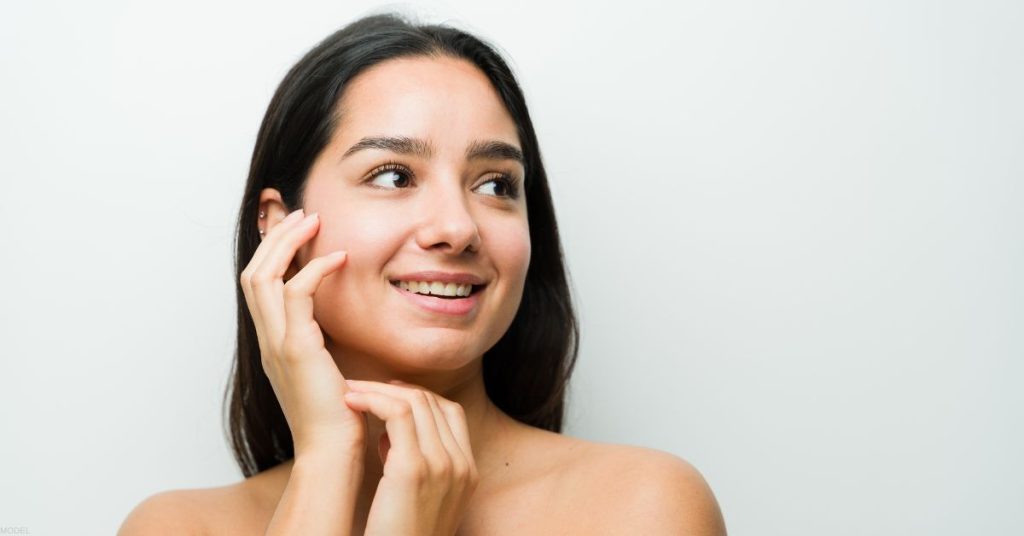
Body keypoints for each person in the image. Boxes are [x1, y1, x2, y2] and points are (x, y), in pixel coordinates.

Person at [118, 12, 726, 535]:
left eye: (495, 184)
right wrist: (329, 461)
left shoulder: (640, 506)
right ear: (282, 229)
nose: (458, 228)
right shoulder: (177, 526)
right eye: (394, 175)